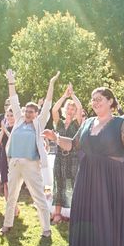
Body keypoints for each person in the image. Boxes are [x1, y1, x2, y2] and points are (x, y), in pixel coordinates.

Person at [43, 88, 124, 246]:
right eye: (93, 99)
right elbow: (72, 144)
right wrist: (55, 138)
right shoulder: (87, 123)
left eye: (100, 99)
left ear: (110, 101)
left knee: (108, 221)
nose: (95, 103)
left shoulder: (120, 123)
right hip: (87, 176)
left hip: (111, 179)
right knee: (86, 219)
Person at [0, 69, 59, 237]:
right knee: (11, 196)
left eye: (31, 112)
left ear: (36, 114)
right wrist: (11, 81)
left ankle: (46, 229)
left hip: (31, 164)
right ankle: (7, 225)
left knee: (38, 196)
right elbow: (14, 99)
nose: (27, 114)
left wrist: (51, 84)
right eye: (26, 111)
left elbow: (48, 103)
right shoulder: (18, 120)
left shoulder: (39, 123)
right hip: (15, 162)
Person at [51, 83, 83, 223]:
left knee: (75, 184)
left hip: (74, 157)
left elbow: (81, 107)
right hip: (59, 157)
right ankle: (57, 214)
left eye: (73, 108)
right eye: (68, 108)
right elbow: (54, 109)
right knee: (59, 183)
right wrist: (65, 95)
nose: (70, 110)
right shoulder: (58, 123)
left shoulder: (77, 122)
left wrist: (73, 94)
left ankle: (77, 213)